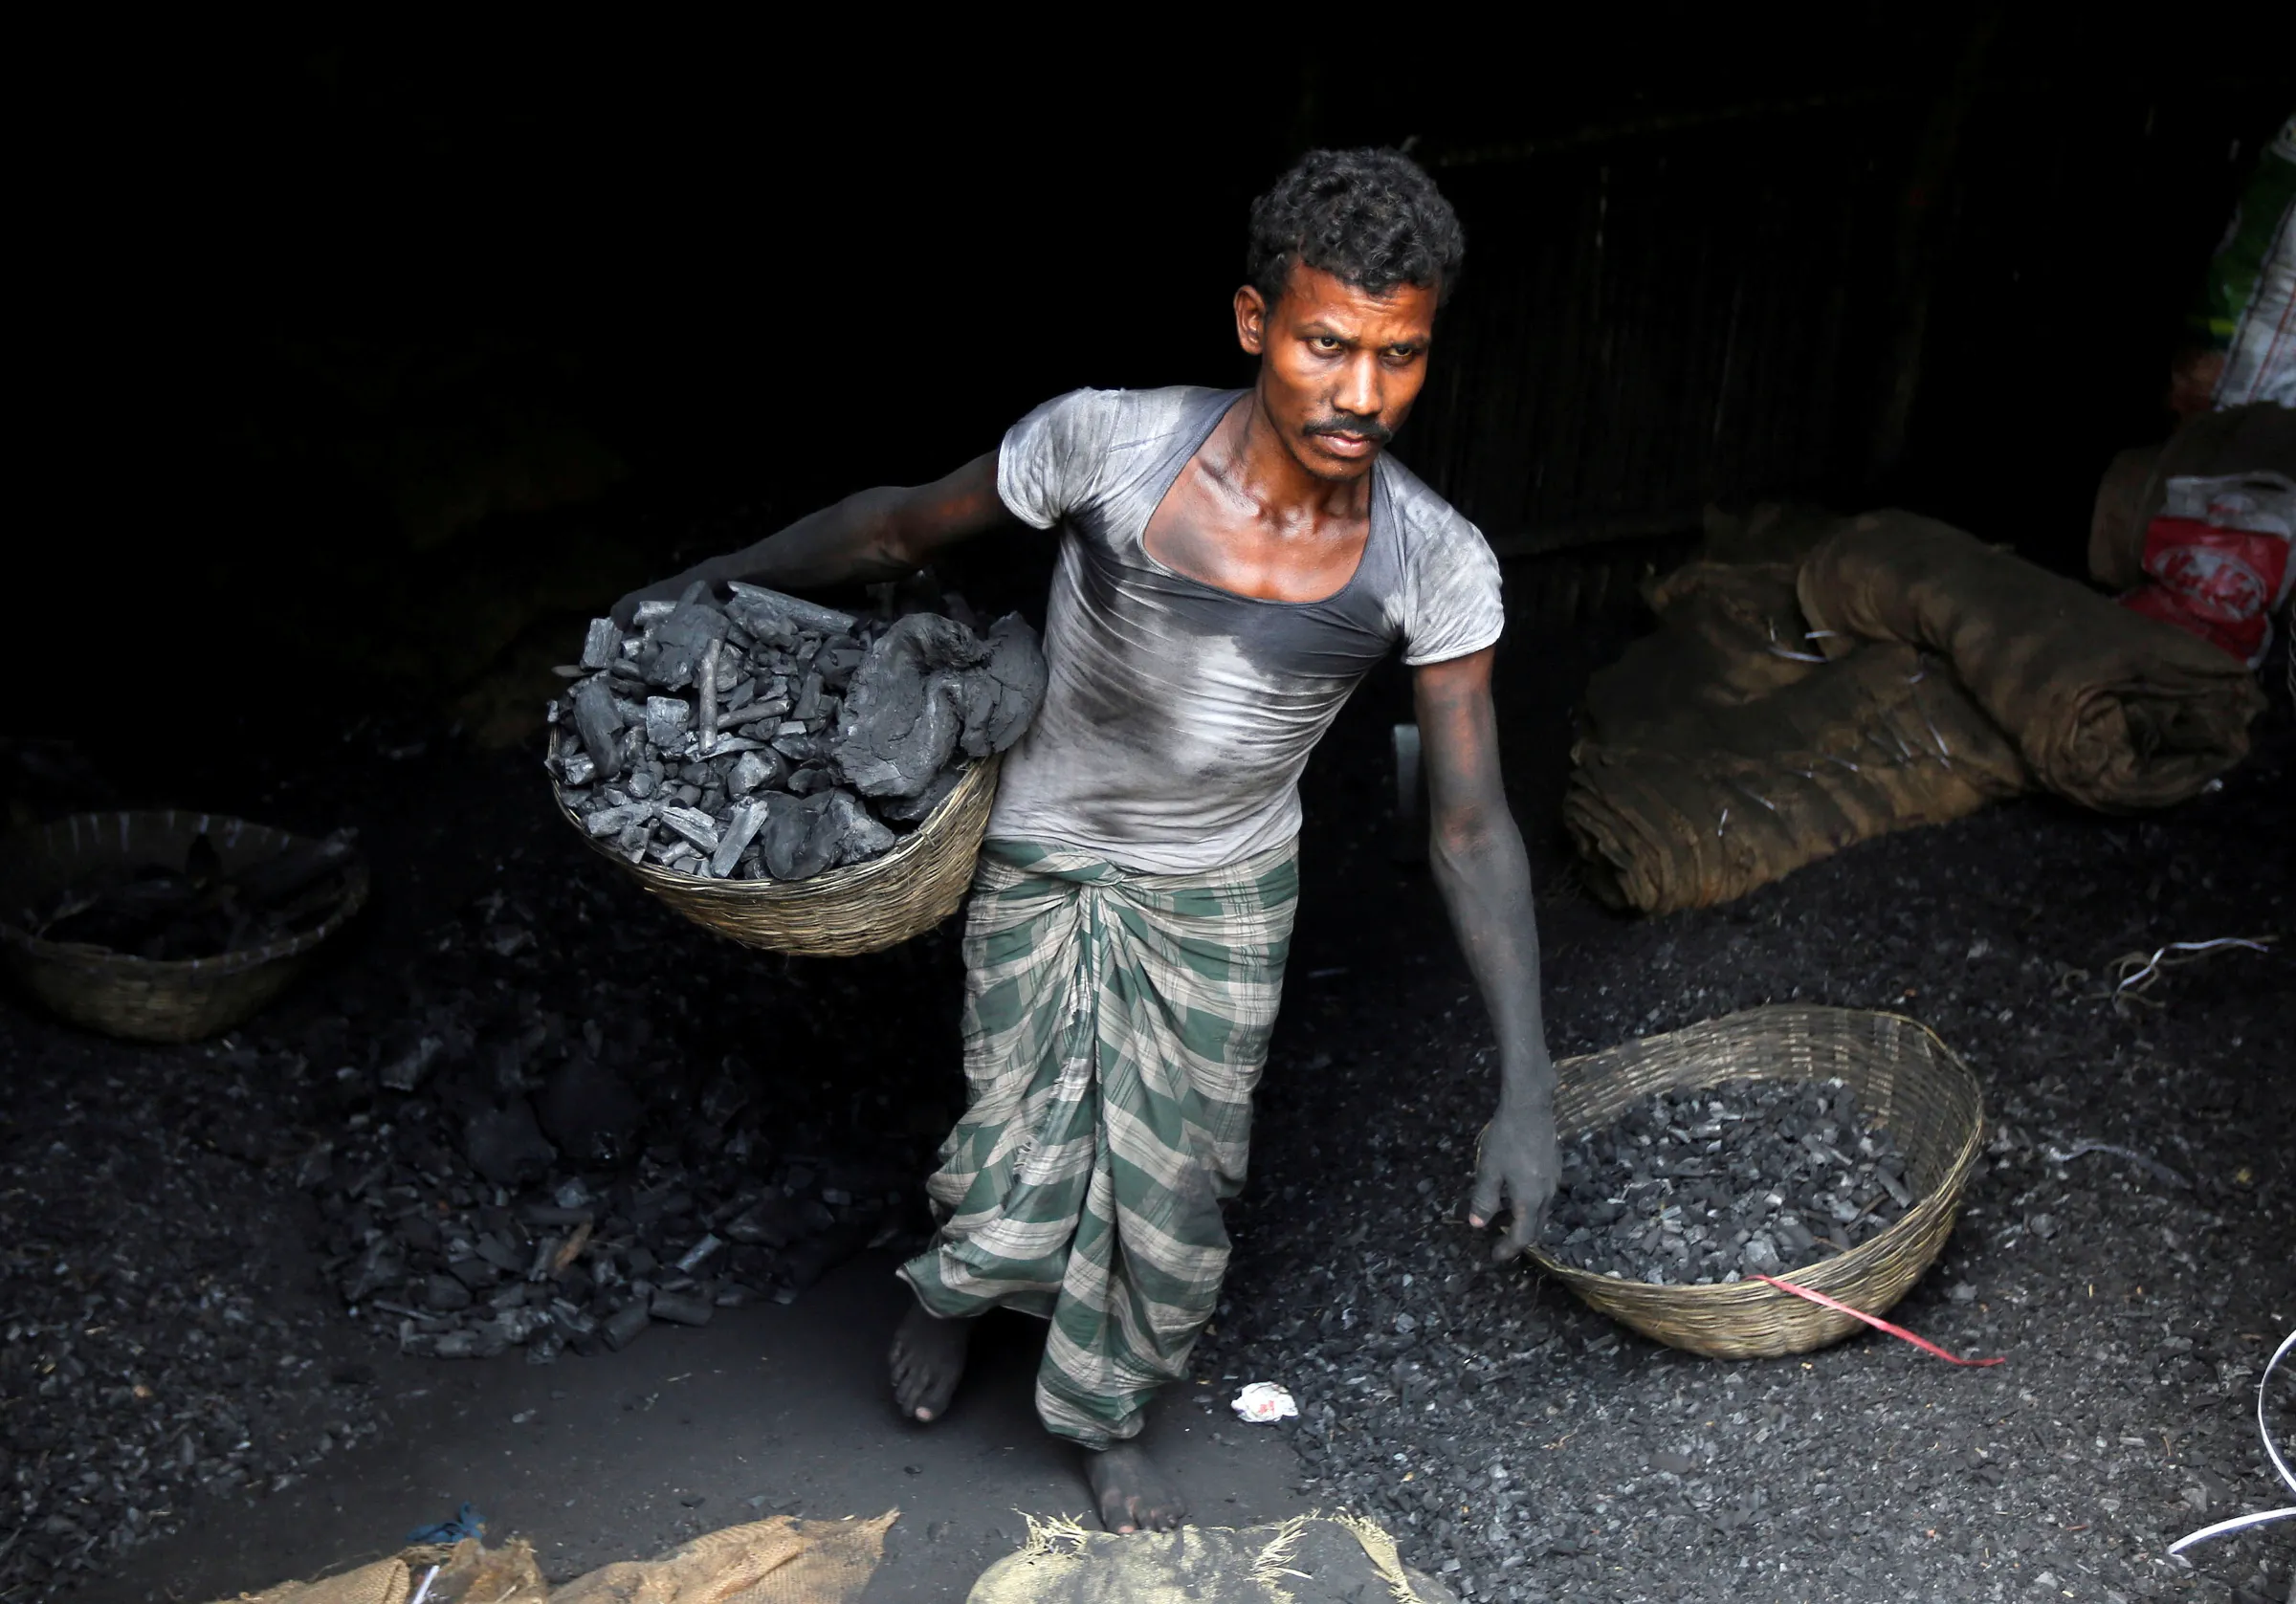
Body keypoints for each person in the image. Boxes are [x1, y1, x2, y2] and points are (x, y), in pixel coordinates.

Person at [614, 147, 1559, 1534]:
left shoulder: (1434, 563)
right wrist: (705, 581)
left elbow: (1470, 828)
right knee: (1010, 1142)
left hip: (1224, 892)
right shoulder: (1106, 445)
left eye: (1400, 356)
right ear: (1256, 325)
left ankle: (1104, 1409)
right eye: (1325, 345)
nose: (1361, 394)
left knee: (1176, 1184)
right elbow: (892, 531)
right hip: (1046, 850)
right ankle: (968, 1293)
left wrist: (1526, 1085)